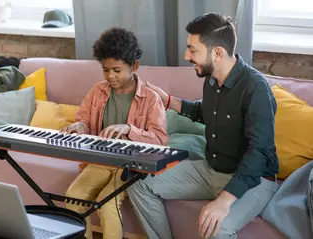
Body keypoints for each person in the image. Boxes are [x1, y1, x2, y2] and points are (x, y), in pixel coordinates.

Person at [127, 12, 279, 239]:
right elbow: (206, 114)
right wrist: (168, 100)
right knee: (139, 183)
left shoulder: (255, 88)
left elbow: (260, 151)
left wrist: (224, 200)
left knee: (219, 228)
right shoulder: (212, 79)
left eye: (192, 49)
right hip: (211, 171)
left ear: (217, 53)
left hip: (253, 181)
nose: (186, 55)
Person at [60, 27, 168, 239]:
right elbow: (83, 120)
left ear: (134, 66)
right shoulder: (97, 91)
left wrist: (129, 129)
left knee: (107, 202)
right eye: (105, 70)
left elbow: (160, 140)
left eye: (117, 70)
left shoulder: (151, 98)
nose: (110, 76)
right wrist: (79, 127)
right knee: (73, 197)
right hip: (101, 161)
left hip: (131, 166)